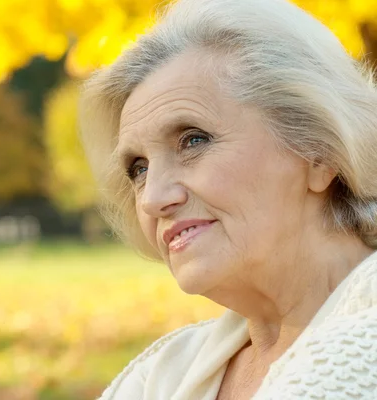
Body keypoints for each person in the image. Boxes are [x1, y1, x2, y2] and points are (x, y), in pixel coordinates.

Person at [78, 0, 377, 398]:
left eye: (193, 140)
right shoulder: (163, 374)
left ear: (318, 151)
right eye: (139, 168)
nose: (152, 199)